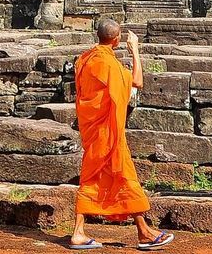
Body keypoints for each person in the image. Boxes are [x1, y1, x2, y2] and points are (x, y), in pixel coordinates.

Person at [69, 18, 174, 251]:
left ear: (98, 36)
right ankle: (144, 232)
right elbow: (137, 81)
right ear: (116, 40)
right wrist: (135, 50)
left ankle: (80, 232)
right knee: (124, 176)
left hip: (93, 130)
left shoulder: (84, 60)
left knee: (93, 178)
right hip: (108, 133)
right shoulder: (109, 65)